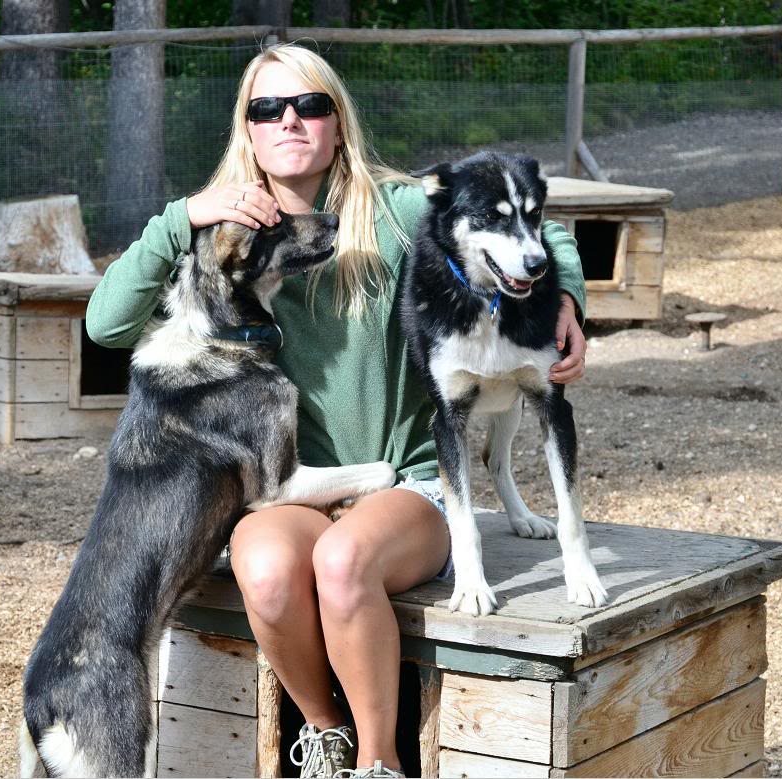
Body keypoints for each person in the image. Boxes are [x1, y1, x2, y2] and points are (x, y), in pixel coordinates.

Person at [86, 42, 588, 779]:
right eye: (268, 108)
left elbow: (545, 233)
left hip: (407, 483)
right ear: (247, 127)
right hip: (295, 489)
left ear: (337, 121)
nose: (289, 121)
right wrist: (182, 215)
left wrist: (566, 296)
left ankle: (381, 762)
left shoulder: (395, 212)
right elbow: (106, 324)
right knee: (263, 569)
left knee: (343, 559)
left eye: (309, 105)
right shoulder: (220, 232)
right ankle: (327, 737)